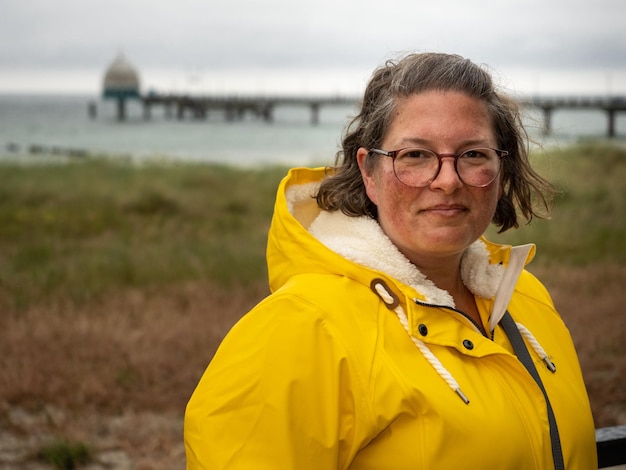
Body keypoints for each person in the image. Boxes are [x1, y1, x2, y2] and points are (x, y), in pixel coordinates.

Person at [184, 52, 597, 469]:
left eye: (473, 154)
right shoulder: (303, 328)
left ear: (500, 168)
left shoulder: (525, 297)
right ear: (369, 172)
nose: (448, 180)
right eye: (415, 155)